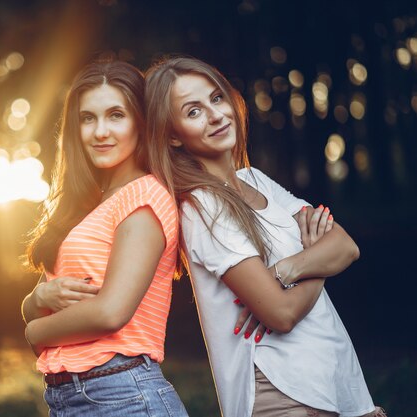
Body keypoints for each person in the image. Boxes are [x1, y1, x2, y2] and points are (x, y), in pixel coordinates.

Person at [144, 56, 385, 417]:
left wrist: (287, 270)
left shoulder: (255, 180)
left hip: (336, 380)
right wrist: (314, 258)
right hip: (281, 392)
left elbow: (346, 247)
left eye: (216, 98)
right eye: (193, 112)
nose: (215, 115)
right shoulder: (201, 206)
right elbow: (282, 313)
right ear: (172, 135)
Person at [21, 60, 189, 417]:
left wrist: (34, 329)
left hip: (123, 396)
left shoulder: (144, 196)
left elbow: (111, 312)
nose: (100, 131)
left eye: (116, 115)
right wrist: (37, 298)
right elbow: (43, 297)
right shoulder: (84, 207)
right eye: (87, 118)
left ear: (141, 122)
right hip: (70, 399)